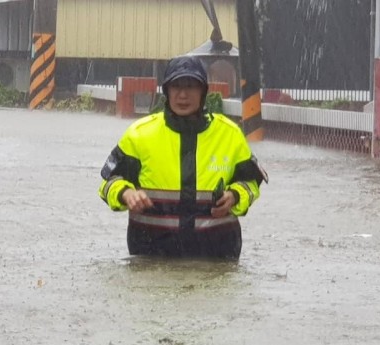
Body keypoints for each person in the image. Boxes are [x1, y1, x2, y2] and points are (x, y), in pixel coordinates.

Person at [98, 55, 267, 259]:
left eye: (191, 86)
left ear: (203, 91)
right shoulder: (139, 134)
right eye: (176, 86)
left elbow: (252, 182)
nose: (183, 95)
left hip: (216, 259)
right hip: (151, 258)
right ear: (166, 91)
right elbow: (108, 184)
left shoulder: (230, 134)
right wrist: (125, 193)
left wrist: (236, 195)